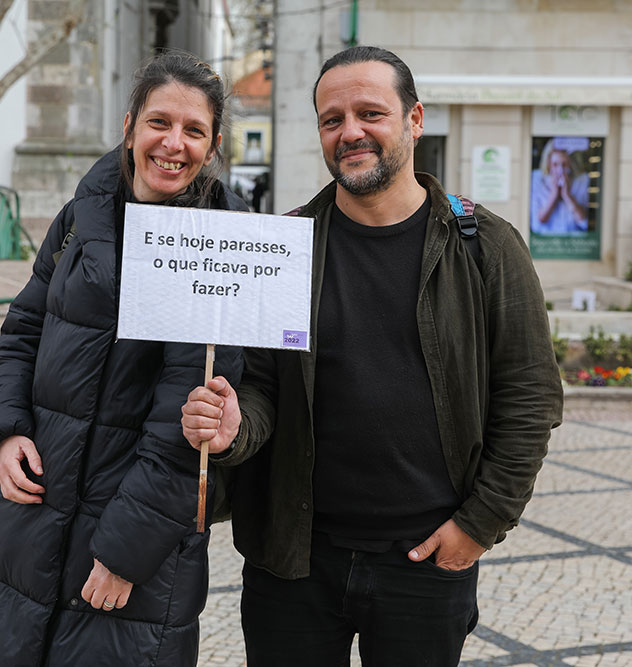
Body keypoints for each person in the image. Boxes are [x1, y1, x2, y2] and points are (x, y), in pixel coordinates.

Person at [181, 46, 563, 666]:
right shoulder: (286, 247)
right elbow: (262, 391)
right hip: (294, 561)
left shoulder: (484, 245)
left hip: (425, 560)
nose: (350, 132)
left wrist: (478, 525)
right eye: (332, 120)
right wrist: (233, 429)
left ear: (414, 120)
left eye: (370, 113)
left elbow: (530, 398)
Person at [0, 51, 245, 667]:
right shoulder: (80, 216)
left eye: (194, 131)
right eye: (159, 123)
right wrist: (6, 432)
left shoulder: (223, 246)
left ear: (214, 143)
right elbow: (22, 330)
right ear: (129, 126)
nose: (173, 144)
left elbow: (185, 427)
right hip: (31, 520)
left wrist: (127, 552)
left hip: (130, 552)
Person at [530, 139, 590, 235]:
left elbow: (584, 222)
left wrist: (567, 195)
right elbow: (537, 224)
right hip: (545, 243)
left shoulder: (581, 180)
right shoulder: (536, 179)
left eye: (564, 164)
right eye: (555, 164)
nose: (560, 170)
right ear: (548, 164)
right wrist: (554, 195)